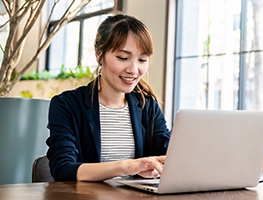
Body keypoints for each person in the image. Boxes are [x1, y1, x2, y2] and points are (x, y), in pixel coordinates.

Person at [46, 13, 171, 182]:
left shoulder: (147, 106)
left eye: (142, 59)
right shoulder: (67, 105)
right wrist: (127, 166)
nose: (134, 70)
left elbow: (170, 153)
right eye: (123, 58)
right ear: (99, 54)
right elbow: (63, 168)